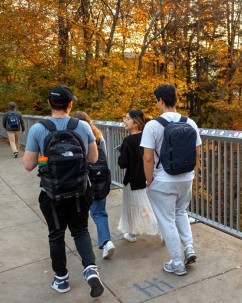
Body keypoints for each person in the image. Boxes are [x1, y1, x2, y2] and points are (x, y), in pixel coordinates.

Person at [22, 85, 104, 297]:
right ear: (70, 104)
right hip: (79, 191)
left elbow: (28, 165)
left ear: (49, 103)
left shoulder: (38, 129)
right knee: (81, 230)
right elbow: (93, 159)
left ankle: (61, 280)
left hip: (52, 194)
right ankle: (91, 270)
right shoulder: (83, 126)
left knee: (56, 234)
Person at [141, 84, 201, 276]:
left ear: (161, 101)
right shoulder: (190, 122)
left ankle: (176, 262)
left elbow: (148, 158)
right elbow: (196, 152)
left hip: (163, 180)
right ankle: (189, 248)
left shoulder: (152, 125)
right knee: (181, 212)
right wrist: (191, 174)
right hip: (185, 178)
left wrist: (149, 182)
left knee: (167, 220)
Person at [72, 111, 116, 260]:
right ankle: (106, 241)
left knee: (82, 214)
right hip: (99, 177)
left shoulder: (72, 136)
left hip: (81, 179)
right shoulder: (97, 135)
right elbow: (104, 155)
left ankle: (105, 241)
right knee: (99, 211)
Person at [117, 109, 161, 243]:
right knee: (151, 205)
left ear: (135, 123)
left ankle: (132, 233)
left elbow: (122, 164)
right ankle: (162, 229)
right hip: (150, 177)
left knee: (132, 207)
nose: (124, 122)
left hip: (133, 180)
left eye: (127, 119)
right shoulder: (149, 136)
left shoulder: (128, 140)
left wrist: (121, 152)